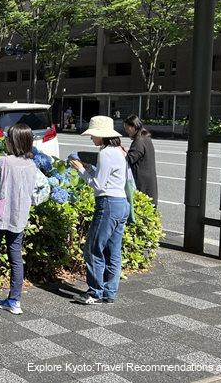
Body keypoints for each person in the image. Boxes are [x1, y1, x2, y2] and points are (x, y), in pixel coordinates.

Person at [0, 124, 49, 317]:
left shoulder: (4, 162)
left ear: (12, 142)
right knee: (16, 258)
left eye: (7, 138)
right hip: (19, 218)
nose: (6, 140)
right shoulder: (31, 165)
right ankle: (14, 301)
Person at [69, 115, 130, 305]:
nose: (91, 138)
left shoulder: (105, 153)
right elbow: (111, 178)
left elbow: (99, 185)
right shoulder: (119, 151)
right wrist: (91, 168)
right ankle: (109, 292)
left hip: (108, 204)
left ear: (101, 135)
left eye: (93, 134)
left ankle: (94, 292)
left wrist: (80, 169)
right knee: (114, 251)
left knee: (93, 248)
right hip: (122, 203)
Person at [124, 115, 158, 205]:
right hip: (148, 181)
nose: (126, 131)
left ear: (134, 127)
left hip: (142, 182)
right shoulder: (145, 138)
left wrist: (121, 152)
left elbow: (130, 159)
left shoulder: (139, 141)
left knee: (142, 206)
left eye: (127, 128)